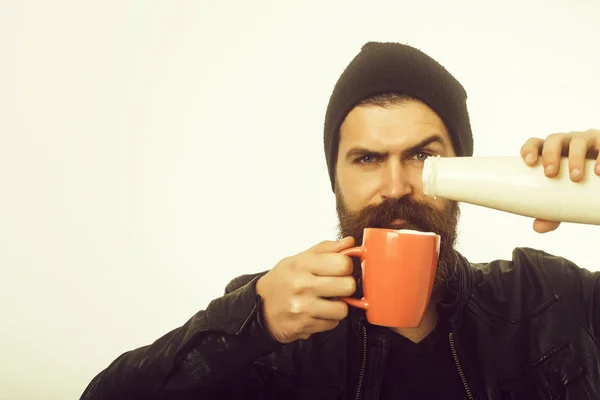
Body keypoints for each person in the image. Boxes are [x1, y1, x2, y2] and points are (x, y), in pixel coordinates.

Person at [80, 42, 600, 400]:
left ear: (464, 168)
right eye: (367, 159)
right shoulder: (275, 325)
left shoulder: (548, 297)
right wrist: (251, 323)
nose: (396, 187)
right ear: (335, 179)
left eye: (422, 157)